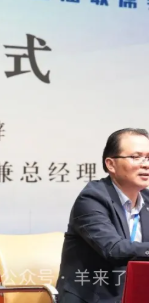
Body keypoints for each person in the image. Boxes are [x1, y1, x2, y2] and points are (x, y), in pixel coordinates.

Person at [56, 128, 149, 303]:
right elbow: (113, 249)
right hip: (93, 297)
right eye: (136, 157)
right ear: (111, 164)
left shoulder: (147, 199)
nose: (145, 164)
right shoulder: (92, 199)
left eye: (148, 158)